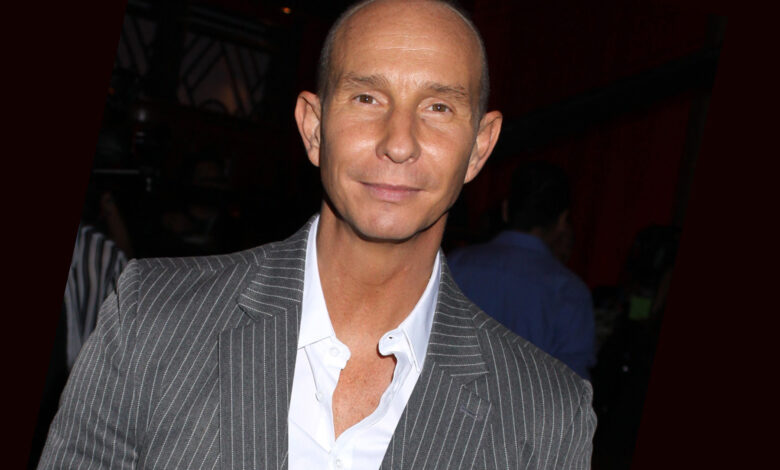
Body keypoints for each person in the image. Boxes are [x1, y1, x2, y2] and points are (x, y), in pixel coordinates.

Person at [38, 1, 596, 468]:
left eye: (438, 106)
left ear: (479, 146)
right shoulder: (152, 316)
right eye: (367, 98)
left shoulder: (547, 416)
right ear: (313, 127)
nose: (399, 143)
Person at [448, 161, 596, 380]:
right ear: (562, 221)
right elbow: (573, 382)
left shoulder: (454, 264)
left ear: (506, 210)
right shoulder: (568, 290)